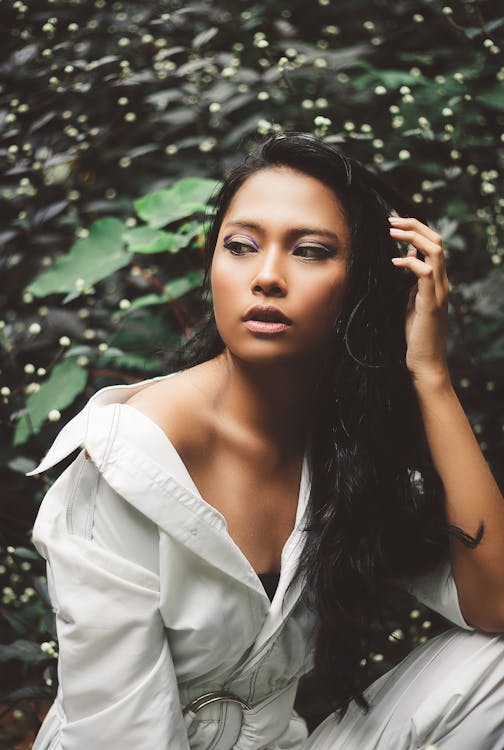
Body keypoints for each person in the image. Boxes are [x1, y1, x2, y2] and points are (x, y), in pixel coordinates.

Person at [28, 133, 504, 750]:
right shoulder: (129, 458)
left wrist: (431, 377)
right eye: (241, 247)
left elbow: (495, 604)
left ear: (360, 284)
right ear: (214, 266)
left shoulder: (346, 449)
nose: (267, 277)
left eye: (308, 251)